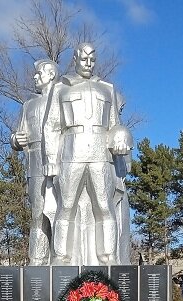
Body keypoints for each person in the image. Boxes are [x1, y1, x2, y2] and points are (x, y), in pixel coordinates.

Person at [52, 43, 131, 265]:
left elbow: (116, 124)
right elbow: (52, 126)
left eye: (92, 59)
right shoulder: (61, 88)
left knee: (104, 207)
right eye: (83, 58)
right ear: (75, 59)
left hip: (100, 154)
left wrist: (122, 135)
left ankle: (108, 256)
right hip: (71, 152)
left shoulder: (107, 88)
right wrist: (51, 161)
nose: (88, 63)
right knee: (65, 206)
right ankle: (61, 256)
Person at [11, 59, 61, 266]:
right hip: (35, 164)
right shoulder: (29, 105)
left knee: (61, 213)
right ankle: (37, 259)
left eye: (39, 73)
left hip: (61, 162)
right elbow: (17, 136)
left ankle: (62, 259)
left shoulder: (62, 98)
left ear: (51, 75)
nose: (35, 77)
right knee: (38, 213)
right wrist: (16, 139)